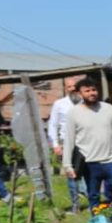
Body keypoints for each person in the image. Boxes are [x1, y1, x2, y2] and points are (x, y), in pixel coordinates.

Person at [62, 77, 112, 210]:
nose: (91, 93)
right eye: (87, 91)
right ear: (79, 94)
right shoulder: (73, 113)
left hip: (111, 160)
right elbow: (69, 141)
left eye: (93, 90)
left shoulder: (108, 109)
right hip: (89, 163)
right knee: (94, 197)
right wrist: (67, 165)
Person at [47, 79, 86, 211]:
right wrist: (55, 145)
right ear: (65, 88)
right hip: (67, 143)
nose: (72, 89)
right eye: (69, 87)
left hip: (84, 142)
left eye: (74, 86)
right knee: (71, 173)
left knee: (88, 172)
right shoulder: (59, 104)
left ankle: (92, 201)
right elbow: (53, 125)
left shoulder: (84, 102)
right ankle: (76, 205)